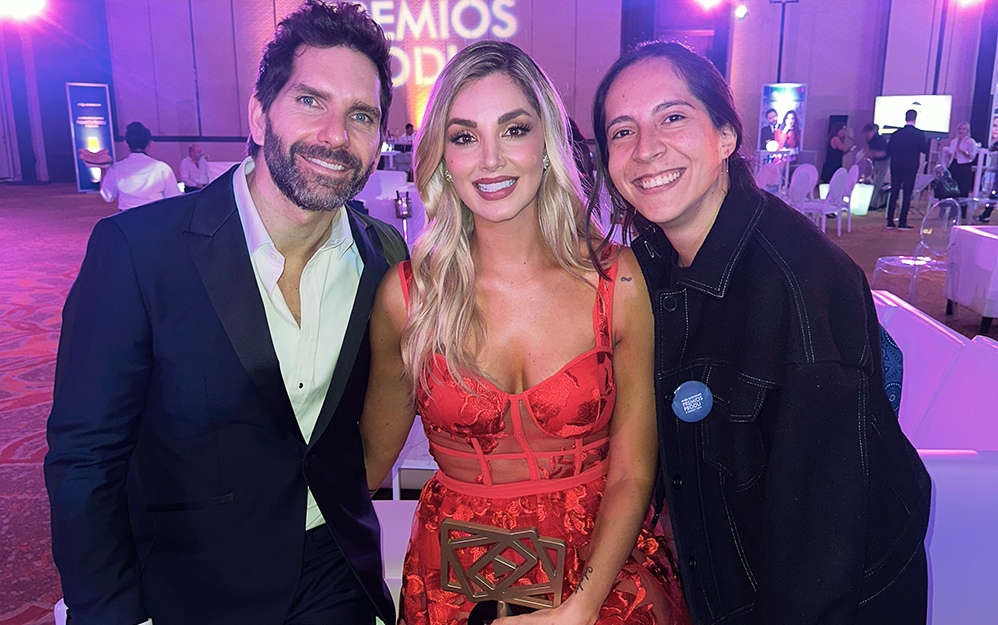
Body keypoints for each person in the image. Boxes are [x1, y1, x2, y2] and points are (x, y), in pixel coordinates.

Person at [44, 3, 405, 624]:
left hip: (333, 574)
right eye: (310, 101)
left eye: (361, 115)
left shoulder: (384, 258)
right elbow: (85, 459)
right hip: (190, 585)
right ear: (260, 116)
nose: (335, 135)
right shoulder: (137, 252)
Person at [588, 40, 931, 625]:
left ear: (725, 135)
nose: (646, 149)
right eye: (623, 131)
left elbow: (823, 542)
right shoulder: (651, 266)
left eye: (672, 117)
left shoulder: (800, 284)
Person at [360, 40, 690, 625]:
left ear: (547, 144)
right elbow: (366, 461)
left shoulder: (616, 282)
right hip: (455, 587)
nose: (491, 160)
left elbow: (633, 472)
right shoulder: (409, 299)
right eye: (464, 137)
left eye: (513, 130)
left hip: (601, 580)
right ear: (441, 157)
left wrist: (580, 608)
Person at [80, 121, 181, 210]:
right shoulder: (162, 168)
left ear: (125, 143)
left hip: (126, 220)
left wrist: (103, 169)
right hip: (155, 219)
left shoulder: (116, 168)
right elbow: (174, 198)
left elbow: (107, 196)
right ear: (150, 144)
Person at [886, 109, 929, 229]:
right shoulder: (919, 134)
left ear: (905, 118)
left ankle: (890, 221)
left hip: (896, 165)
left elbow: (888, 150)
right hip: (910, 166)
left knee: (894, 192)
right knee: (907, 193)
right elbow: (924, 149)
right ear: (915, 118)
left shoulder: (896, 133)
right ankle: (902, 221)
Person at [943, 121, 978, 198]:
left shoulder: (970, 141)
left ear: (967, 131)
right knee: (952, 186)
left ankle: (962, 204)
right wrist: (949, 156)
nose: (961, 131)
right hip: (954, 164)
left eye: (963, 129)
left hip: (964, 166)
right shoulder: (953, 141)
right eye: (959, 129)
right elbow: (951, 154)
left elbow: (972, 156)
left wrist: (963, 152)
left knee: (963, 187)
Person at [862, 122, 889, 209]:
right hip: (877, 161)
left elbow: (883, 153)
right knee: (878, 182)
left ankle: (873, 204)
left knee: (878, 182)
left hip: (884, 161)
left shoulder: (878, 140)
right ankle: (883, 202)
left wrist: (871, 154)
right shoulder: (871, 139)